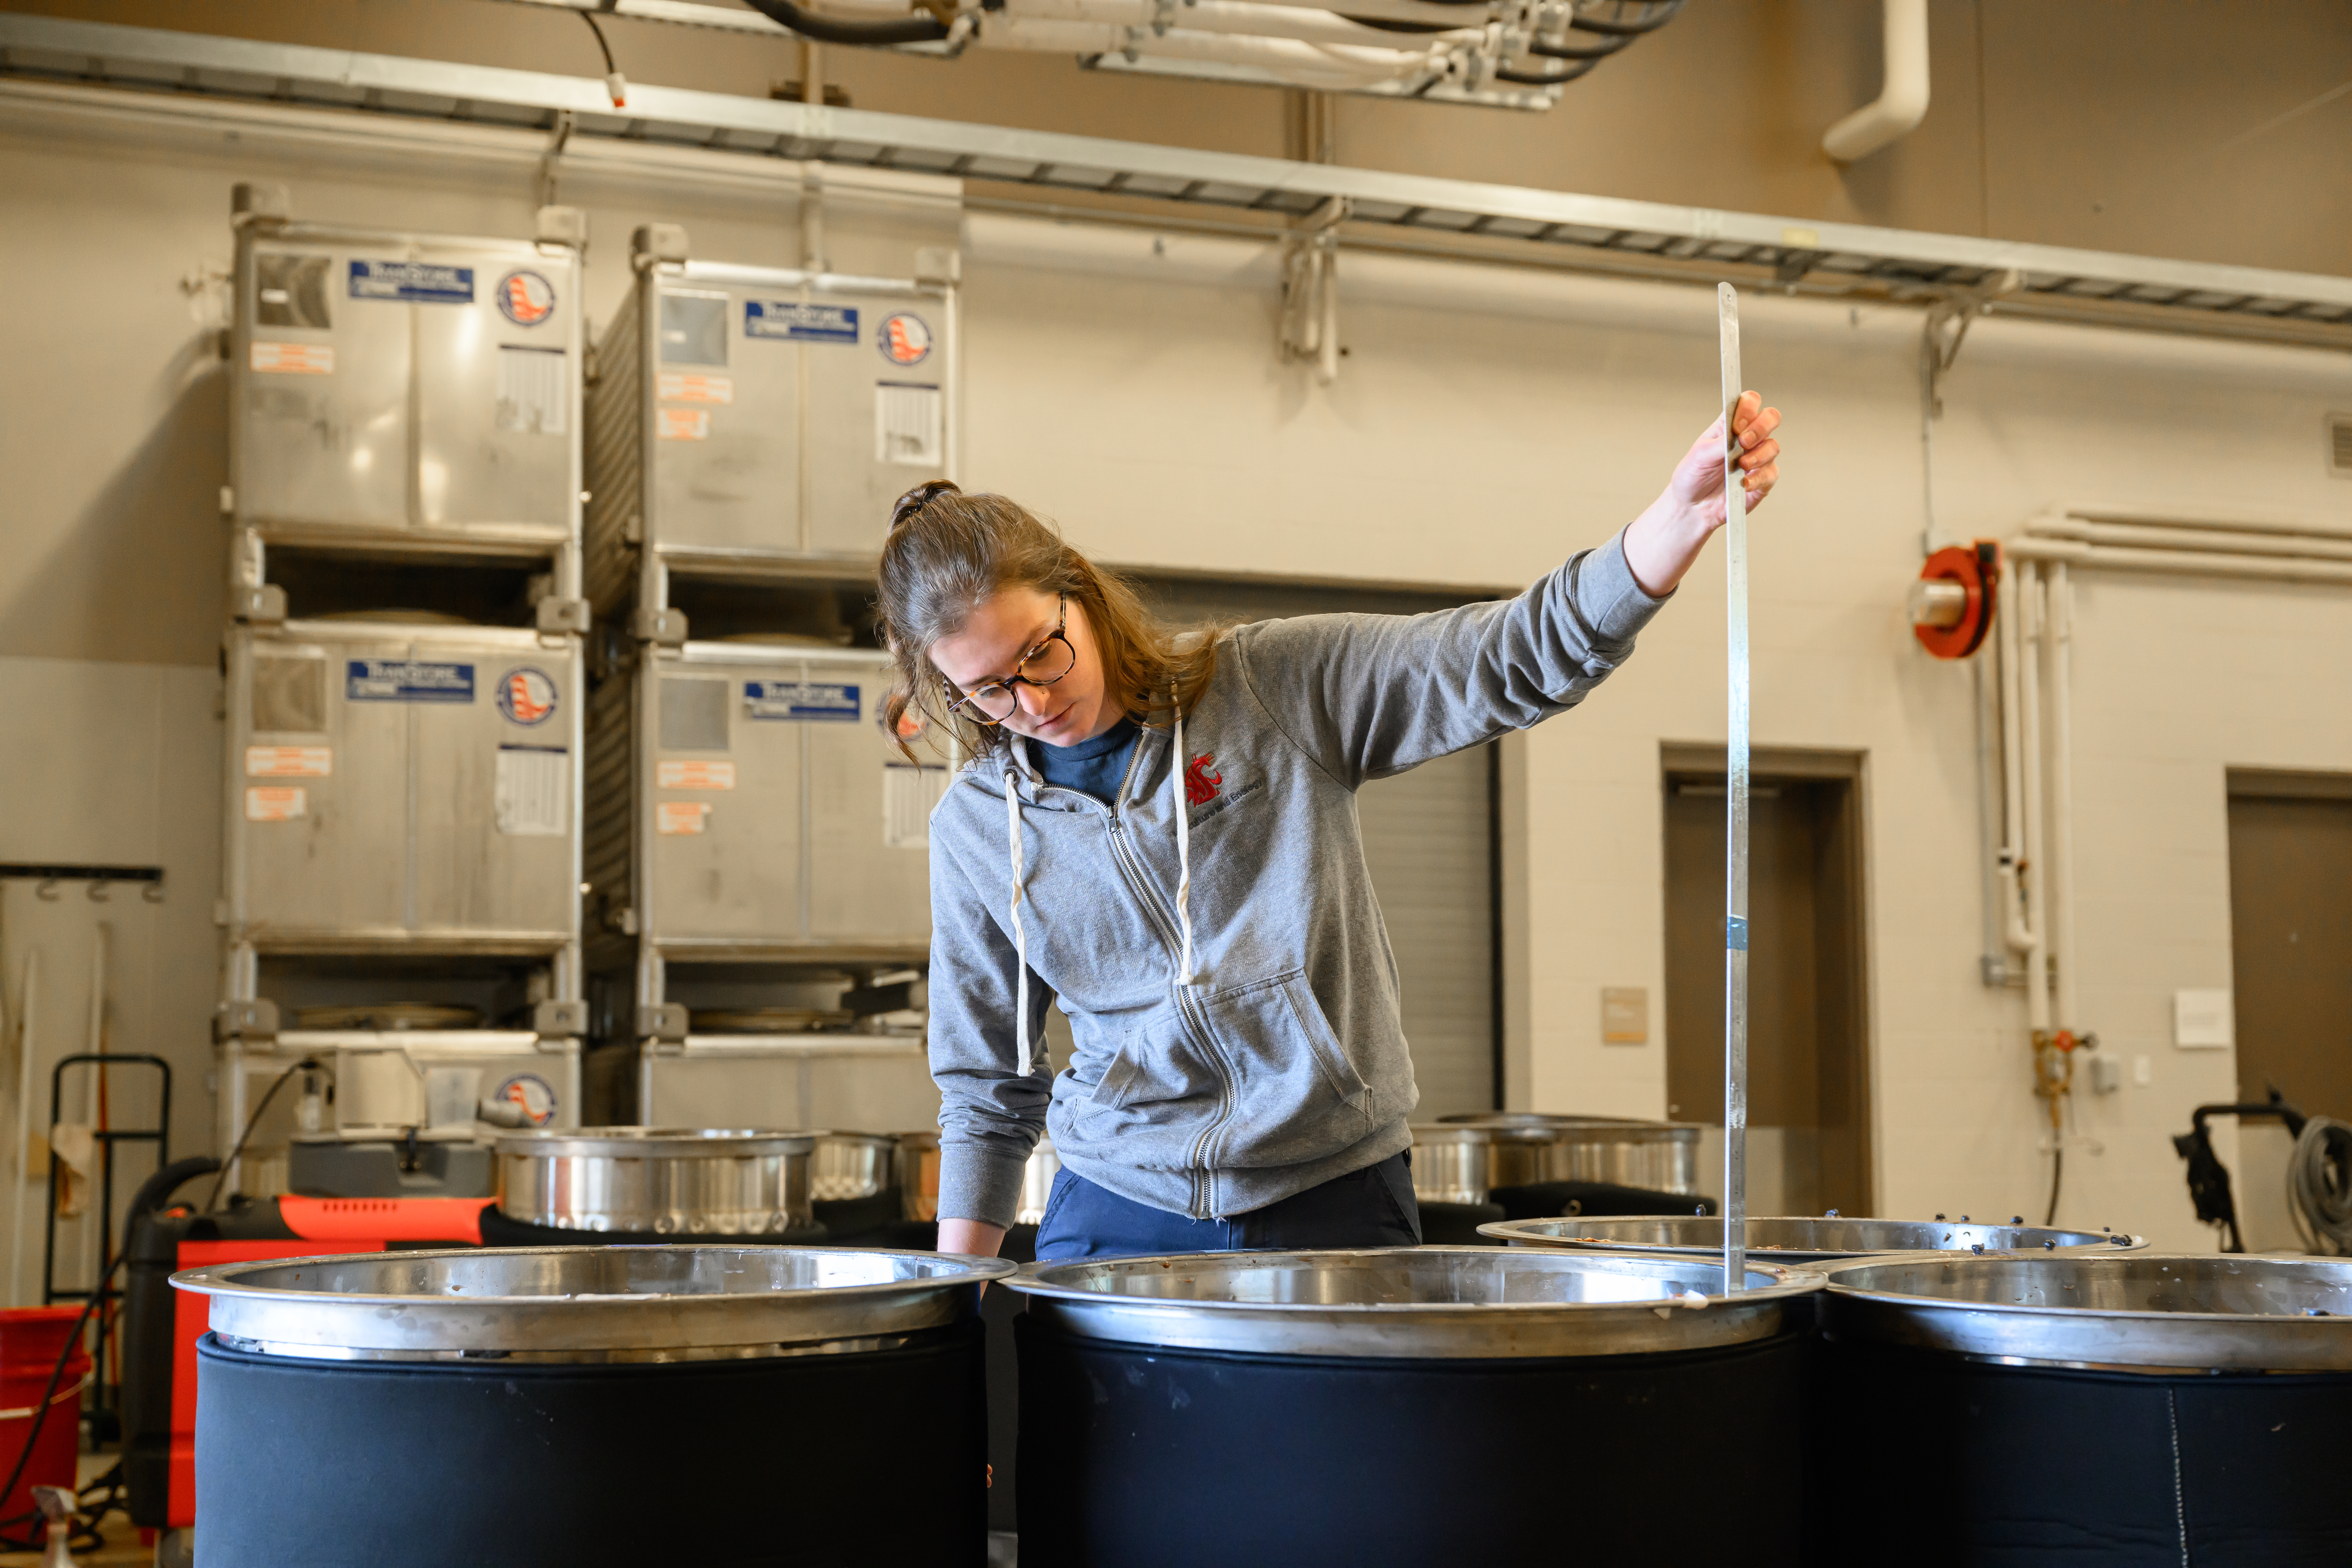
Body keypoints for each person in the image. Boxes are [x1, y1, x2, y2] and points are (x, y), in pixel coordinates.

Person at [878, 395, 1782, 1262]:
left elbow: (1502, 659)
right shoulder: (975, 830)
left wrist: (1675, 521)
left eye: (1043, 649)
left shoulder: (1269, 687)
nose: (1033, 700)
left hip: (1329, 1195)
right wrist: (962, 1289)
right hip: (1119, 1206)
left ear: (1081, 593)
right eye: (989, 689)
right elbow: (987, 1086)